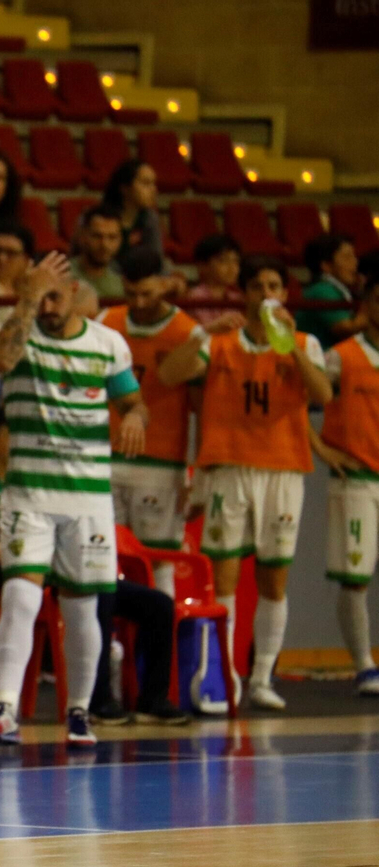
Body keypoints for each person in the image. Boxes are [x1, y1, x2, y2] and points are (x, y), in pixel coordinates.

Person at [0, 251, 150, 749]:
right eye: (38, 295)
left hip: (89, 500)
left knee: (81, 609)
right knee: (21, 596)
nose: (46, 305)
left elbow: (133, 401)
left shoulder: (107, 344)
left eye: (54, 295)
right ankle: (5, 708)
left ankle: (79, 713)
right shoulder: (20, 336)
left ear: (75, 294)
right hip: (29, 494)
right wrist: (27, 296)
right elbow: (1, 361)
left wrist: (135, 417)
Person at [162, 256, 331, 711]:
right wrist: (201, 333)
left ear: (284, 294)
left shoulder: (304, 343)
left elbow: (323, 395)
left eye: (274, 285)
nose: (265, 294)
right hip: (229, 468)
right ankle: (226, 675)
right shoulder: (220, 342)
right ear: (245, 294)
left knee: (274, 578)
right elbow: (169, 374)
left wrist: (290, 346)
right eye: (257, 286)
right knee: (226, 580)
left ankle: (261, 678)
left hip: (283, 468)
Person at [0, 409, 185, 726]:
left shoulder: (51, 488)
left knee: (158, 604)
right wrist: (32, 552)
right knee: (95, 599)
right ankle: (96, 700)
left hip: (71, 567)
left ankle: (152, 700)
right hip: (32, 580)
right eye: (16, 435)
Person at [97, 245, 207, 594]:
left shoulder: (187, 333)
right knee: (103, 558)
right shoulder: (106, 323)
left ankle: (157, 645)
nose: (139, 302)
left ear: (165, 284)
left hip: (161, 463)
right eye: (130, 293)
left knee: (158, 560)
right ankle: (111, 644)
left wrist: (198, 474)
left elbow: (201, 409)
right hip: (107, 458)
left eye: (146, 292)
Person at [313, 282, 379, 697]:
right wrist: (320, 448)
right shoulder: (342, 356)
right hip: (356, 479)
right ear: (365, 304)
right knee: (355, 576)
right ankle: (364, 666)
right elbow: (295, 398)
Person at [298, 234, 366, 351]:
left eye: (354, 256)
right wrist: (371, 299)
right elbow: (346, 329)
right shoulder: (321, 290)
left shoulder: (339, 289)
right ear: (327, 266)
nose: (355, 262)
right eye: (347, 257)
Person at [100, 159, 163, 262]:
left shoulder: (150, 218)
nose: (154, 190)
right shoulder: (99, 218)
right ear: (125, 188)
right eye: (146, 183)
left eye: (154, 184)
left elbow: (157, 258)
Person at [188, 234, 246, 333]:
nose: (232, 268)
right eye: (223, 261)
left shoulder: (238, 298)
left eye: (235, 261)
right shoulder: (193, 297)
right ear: (203, 265)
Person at [71, 204, 126, 303]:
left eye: (112, 237)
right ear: (83, 236)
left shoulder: (122, 285)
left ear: (120, 240)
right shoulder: (63, 276)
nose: (105, 245)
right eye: (97, 236)